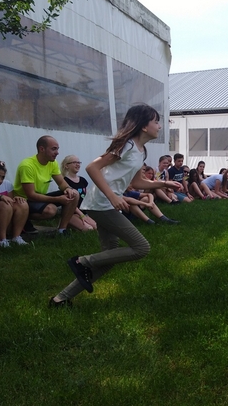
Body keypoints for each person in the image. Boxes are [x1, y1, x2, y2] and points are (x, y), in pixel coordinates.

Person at [49, 103, 183, 307]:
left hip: (106, 204)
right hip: (101, 204)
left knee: (109, 258)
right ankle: (81, 261)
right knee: (141, 247)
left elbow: (137, 182)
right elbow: (92, 167)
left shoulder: (141, 151)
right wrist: (112, 196)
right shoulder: (126, 145)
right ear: (144, 126)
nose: (160, 126)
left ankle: (60, 299)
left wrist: (163, 184)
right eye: (156, 121)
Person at [13, 136, 79, 236]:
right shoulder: (27, 165)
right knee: (51, 210)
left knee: (74, 194)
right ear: (42, 149)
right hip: (23, 201)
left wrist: (68, 189)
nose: (57, 152)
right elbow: (31, 195)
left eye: (57, 149)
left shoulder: (52, 163)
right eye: (54, 149)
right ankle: (23, 219)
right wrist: (58, 199)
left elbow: (61, 183)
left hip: (39, 197)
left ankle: (62, 230)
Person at [61, 155, 97, 232]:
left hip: (83, 212)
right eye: (74, 162)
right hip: (71, 213)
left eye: (79, 162)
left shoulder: (83, 180)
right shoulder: (64, 182)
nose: (78, 164)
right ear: (67, 166)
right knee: (89, 229)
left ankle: (75, 225)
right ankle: (67, 223)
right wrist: (82, 215)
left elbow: (86, 197)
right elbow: (70, 202)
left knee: (96, 226)